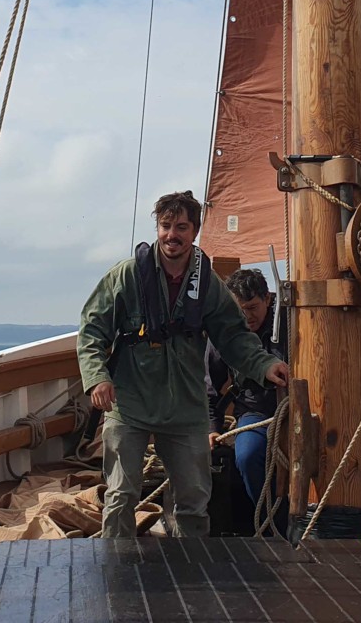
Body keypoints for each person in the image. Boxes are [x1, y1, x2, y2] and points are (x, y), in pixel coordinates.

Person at [77, 190, 290, 539]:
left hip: (185, 408)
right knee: (120, 497)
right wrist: (97, 377)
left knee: (193, 502)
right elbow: (92, 328)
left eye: (181, 226)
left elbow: (233, 336)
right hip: (130, 403)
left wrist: (264, 365)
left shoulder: (207, 284)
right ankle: (115, 576)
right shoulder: (127, 275)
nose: (171, 235)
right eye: (165, 226)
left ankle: (189, 576)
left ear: (195, 231)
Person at [207, 268, 286, 528]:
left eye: (253, 307)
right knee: (248, 455)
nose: (247, 316)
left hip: (302, 410)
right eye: (240, 309)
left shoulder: (292, 320)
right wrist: (212, 428)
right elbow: (211, 384)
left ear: (268, 299)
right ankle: (272, 526)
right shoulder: (227, 330)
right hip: (256, 413)